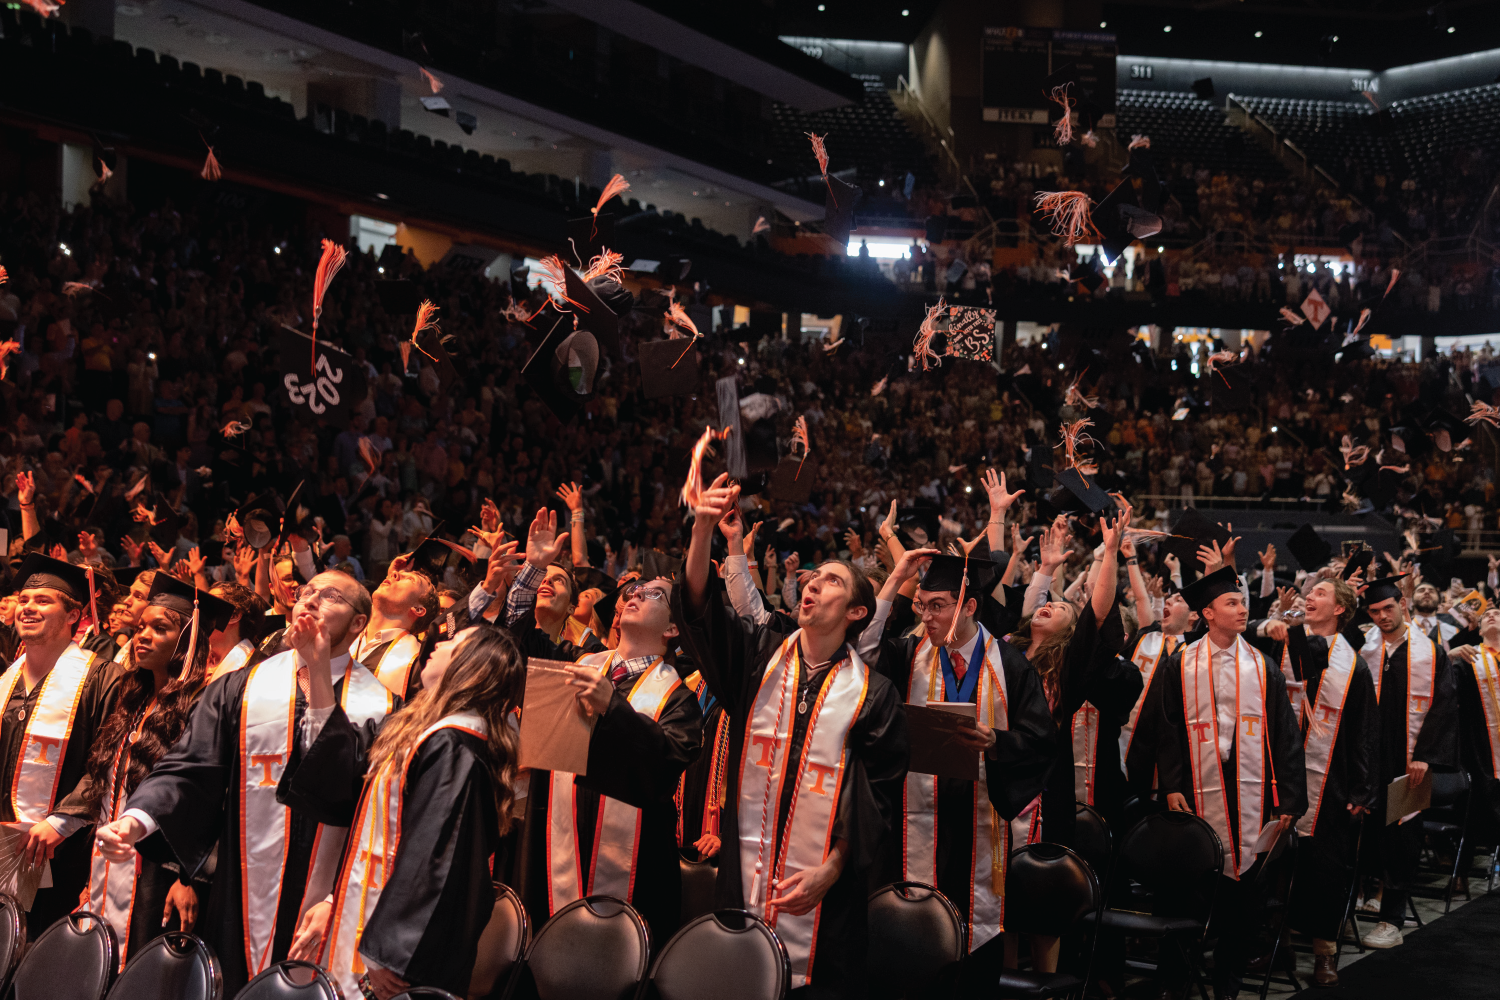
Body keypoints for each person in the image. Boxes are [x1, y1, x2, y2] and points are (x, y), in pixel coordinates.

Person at [93, 571, 398, 995]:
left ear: (359, 624)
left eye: (329, 597)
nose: (309, 600)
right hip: (240, 893)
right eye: (306, 592)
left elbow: (370, 818)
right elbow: (189, 766)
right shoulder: (240, 688)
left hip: (330, 899)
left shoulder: (382, 708)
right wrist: (137, 820)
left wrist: (336, 899)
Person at [673, 474, 908, 996]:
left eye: (831, 582)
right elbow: (700, 612)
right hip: (742, 873)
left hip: (825, 894)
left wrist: (833, 868)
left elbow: (877, 799)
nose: (812, 584)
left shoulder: (875, 694)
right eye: (813, 578)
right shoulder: (759, 657)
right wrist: (703, 529)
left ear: (856, 613)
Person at [282, 624, 525, 999]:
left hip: (405, 960)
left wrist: (393, 953)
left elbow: (435, 857)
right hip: (371, 922)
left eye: (454, 642)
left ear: (472, 666)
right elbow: (347, 771)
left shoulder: (456, 746)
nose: (439, 642)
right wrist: (316, 669)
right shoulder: (423, 732)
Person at [500, 508, 702, 942]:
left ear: (672, 629)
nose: (634, 594)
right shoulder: (576, 663)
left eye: (653, 595)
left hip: (634, 866)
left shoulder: (679, 699)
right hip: (551, 843)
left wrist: (614, 708)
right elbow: (512, 647)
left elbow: (664, 766)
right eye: (634, 590)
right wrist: (533, 570)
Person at [870, 545, 1054, 978]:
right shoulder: (908, 656)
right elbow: (861, 649)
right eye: (923, 606)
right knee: (918, 944)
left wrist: (997, 741)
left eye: (938, 606)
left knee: (976, 942)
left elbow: (1042, 742)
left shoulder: (1010, 666)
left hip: (980, 820)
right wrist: (895, 580)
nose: (928, 617)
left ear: (969, 606)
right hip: (920, 817)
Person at [56, 576, 232, 968]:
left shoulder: (205, 706)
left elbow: (211, 801)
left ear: (187, 642)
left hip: (161, 869)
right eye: (140, 628)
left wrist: (188, 879)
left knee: (143, 968)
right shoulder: (131, 699)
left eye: (160, 629)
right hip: (111, 859)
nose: (143, 636)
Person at [1157, 565, 1306, 1000]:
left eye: (1242, 601)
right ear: (1207, 613)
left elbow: (1285, 736)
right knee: (1188, 895)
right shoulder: (1180, 663)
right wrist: (1171, 784)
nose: (1243, 609)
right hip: (1195, 789)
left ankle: (1228, 988)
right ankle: (1176, 984)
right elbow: (1167, 729)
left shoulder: (1261, 666)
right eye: (1233, 603)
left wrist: (1290, 802)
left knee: (1244, 904)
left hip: (1251, 790)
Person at [2, 554, 122, 937]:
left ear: (74, 615)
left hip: (60, 850)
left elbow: (109, 761)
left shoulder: (102, 678)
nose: (28, 608)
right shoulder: (6, 679)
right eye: (24, 600)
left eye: (43, 600)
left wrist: (63, 820)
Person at [1275, 578, 1378, 987]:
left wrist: (1361, 789)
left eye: (1320, 593)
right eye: (1309, 592)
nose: (1309, 597)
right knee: (1276, 866)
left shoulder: (1354, 664)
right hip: (1280, 772)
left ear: (1340, 609)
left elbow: (1364, 731)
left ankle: (1324, 952)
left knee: (1326, 869)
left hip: (1331, 776)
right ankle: (1276, 943)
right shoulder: (1283, 647)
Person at [1358, 573, 1458, 948]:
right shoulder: (1366, 650)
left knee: (1402, 835)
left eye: (1388, 607)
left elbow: (1445, 708)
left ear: (1402, 603)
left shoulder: (1430, 652)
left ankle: (1392, 920)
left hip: (1410, 762)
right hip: (1370, 759)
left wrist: (1426, 757)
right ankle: (1371, 892)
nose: (1383, 616)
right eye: (1375, 611)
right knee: (1369, 832)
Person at [1447, 608, 1500, 898]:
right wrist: (1450, 656)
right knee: (1474, 802)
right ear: (1478, 630)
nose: (1491, 614)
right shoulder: (1468, 660)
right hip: (1478, 750)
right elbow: (1444, 692)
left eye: (1497, 612)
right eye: (1486, 615)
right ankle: (1461, 870)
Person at [349, 551, 438, 698]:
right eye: (392, 575)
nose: (394, 575)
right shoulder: (345, 630)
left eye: (409, 579)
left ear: (418, 609)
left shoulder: (418, 664)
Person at [205, 581, 269, 683]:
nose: (202, 611)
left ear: (233, 616)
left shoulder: (249, 671)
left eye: (211, 605)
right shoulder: (199, 664)